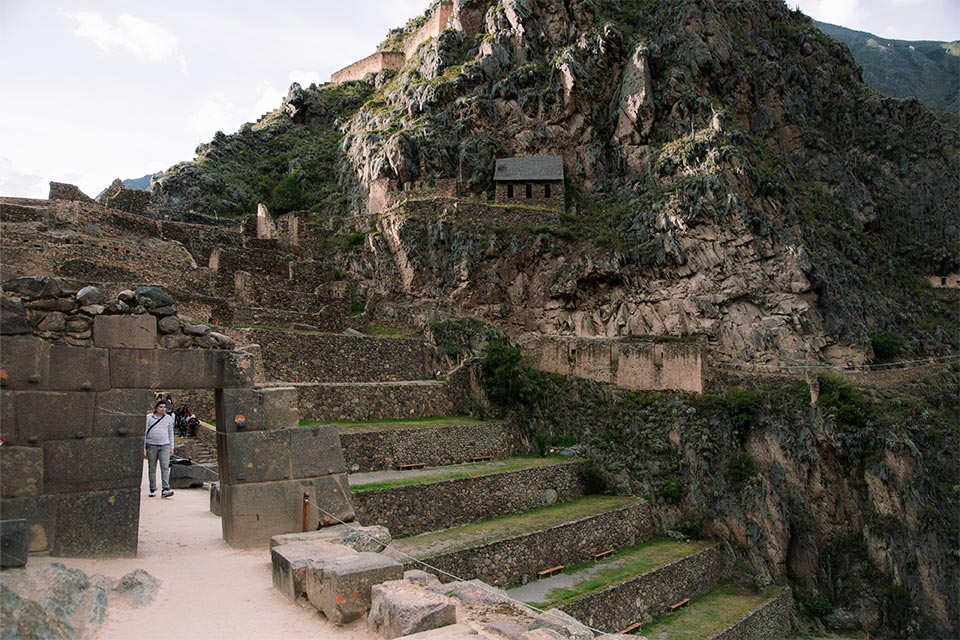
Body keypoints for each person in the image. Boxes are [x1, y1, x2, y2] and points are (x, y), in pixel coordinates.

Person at [144, 399, 175, 498]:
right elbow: (144, 433)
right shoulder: (149, 418)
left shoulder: (168, 418)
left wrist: (171, 447)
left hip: (165, 445)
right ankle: (152, 488)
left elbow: (170, 433)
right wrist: (143, 447)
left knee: (165, 467)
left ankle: (165, 489)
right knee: (152, 467)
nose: (163, 409)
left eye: (164, 407)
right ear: (156, 408)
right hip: (151, 445)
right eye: (161, 407)